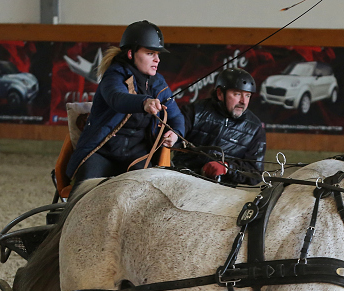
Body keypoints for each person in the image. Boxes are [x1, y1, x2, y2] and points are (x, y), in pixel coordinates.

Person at [66, 21, 184, 189]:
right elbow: (117, 98)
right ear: (131, 53)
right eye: (150, 53)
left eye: (157, 54)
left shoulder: (159, 83)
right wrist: (144, 102)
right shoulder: (113, 75)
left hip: (139, 155)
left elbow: (176, 116)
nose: (157, 59)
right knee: (83, 191)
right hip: (101, 152)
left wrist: (175, 133)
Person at [175, 68, 266, 185]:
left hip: (221, 194)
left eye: (247, 96)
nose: (243, 101)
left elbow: (256, 174)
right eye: (237, 94)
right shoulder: (194, 111)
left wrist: (228, 167)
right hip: (181, 183)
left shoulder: (255, 128)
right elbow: (172, 139)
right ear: (220, 94)